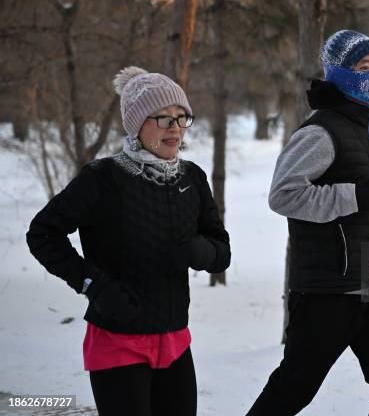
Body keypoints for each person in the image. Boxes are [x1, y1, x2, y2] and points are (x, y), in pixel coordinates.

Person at [26, 66, 231, 416]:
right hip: (117, 341)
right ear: (137, 125)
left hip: (175, 342)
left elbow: (221, 252)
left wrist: (204, 251)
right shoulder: (103, 178)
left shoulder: (192, 178)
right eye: (164, 119)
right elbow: (43, 234)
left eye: (182, 118)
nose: (176, 128)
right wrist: (95, 285)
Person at [246, 30, 369, 415]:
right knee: (294, 388)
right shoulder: (320, 131)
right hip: (329, 290)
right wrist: (358, 198)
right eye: (362, 67)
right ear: (339, 73)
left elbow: (348, 206)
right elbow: (284, 195)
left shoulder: (365, 126)